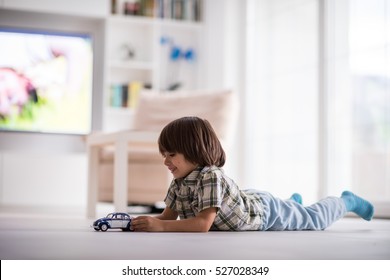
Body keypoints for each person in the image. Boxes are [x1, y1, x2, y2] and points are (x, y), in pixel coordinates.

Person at [131, 116, 374, 232]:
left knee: (314, 221)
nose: (165, 161)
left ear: (194, 150)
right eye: (164, 154)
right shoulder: (179, 182)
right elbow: (168, 216)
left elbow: (202, 224)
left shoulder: (211, 176)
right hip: (248, 200)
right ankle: (291, 204)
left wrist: (160, 228)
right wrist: (135, 222)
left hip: (265, 213)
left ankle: (346, 200)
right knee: (293, 211)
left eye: (171, 154)